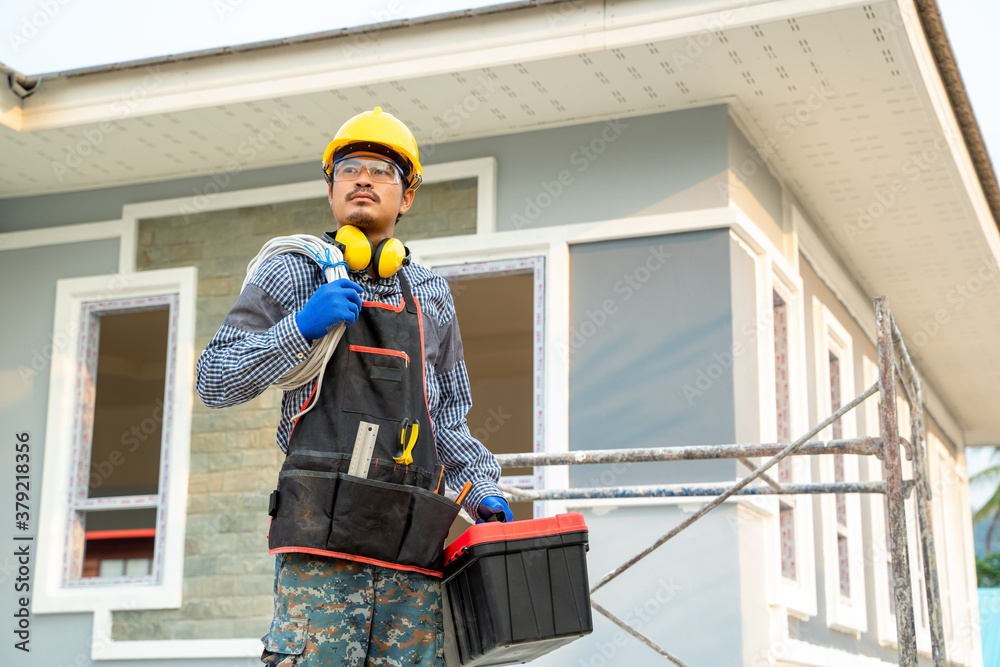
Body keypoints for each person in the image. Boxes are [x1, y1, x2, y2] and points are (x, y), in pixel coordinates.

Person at [195, 106, 512, 666]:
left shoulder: (432, 293)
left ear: (406, 196)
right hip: (321, 553)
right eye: (349, 167)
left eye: (381, 170)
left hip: (412, 559)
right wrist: (301, 327)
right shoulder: (295, 271)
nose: (363, 178)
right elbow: (215, 379)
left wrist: (480, 486)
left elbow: (448, 419)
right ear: (331, 188)